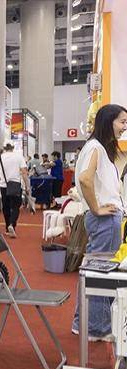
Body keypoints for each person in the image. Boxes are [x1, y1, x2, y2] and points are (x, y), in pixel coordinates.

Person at [72, 103, 127, 342]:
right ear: (108, 121)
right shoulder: (95, 147)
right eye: (122, 121)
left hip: (104, 218)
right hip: (104, 219)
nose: (125, 127)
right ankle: (96, 329)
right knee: (100, 273)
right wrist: (96, 208)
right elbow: (85, 179)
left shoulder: (97, 148)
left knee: (93, 271)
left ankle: (84, 323)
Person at [0, 143, 29, 238]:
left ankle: (7, 227)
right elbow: (24, 172)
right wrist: (27, 186)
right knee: (16, 206)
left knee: (6, 207)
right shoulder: (19, 157)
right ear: (13, 147)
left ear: (4, 148)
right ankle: (12, 224)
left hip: (3, 185)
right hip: (15, 184)